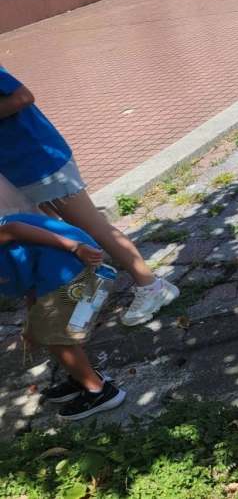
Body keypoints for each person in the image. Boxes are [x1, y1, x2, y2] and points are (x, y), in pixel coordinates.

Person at [0, 66, 177, 326]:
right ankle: (88, 289)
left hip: (39, 161)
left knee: (93, 226)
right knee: (59, 233)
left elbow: (23, 97)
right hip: (17, 169)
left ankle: (152, 286)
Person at [1, 213, 125, 421]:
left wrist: (75, 247)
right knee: (48, 328)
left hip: (70, 263)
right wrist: (31, 326)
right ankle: (82, 377)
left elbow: (14, 229)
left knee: (55, 336)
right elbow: (30, 287)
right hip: (57, 266)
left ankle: (99, 392)